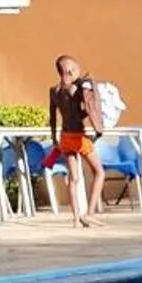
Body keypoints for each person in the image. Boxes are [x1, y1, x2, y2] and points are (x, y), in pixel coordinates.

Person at [46, 53, 105, 225]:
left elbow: (52, 118)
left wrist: (54, 139)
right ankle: (90, 213)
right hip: (79, 137)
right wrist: (97, 124)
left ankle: (75, 219)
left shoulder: (54, 91)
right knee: (99, 172)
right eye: (76, 68)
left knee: (73, 178)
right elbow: (82, 112)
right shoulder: (77, 89)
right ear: (70, 70)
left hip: (64, 137)